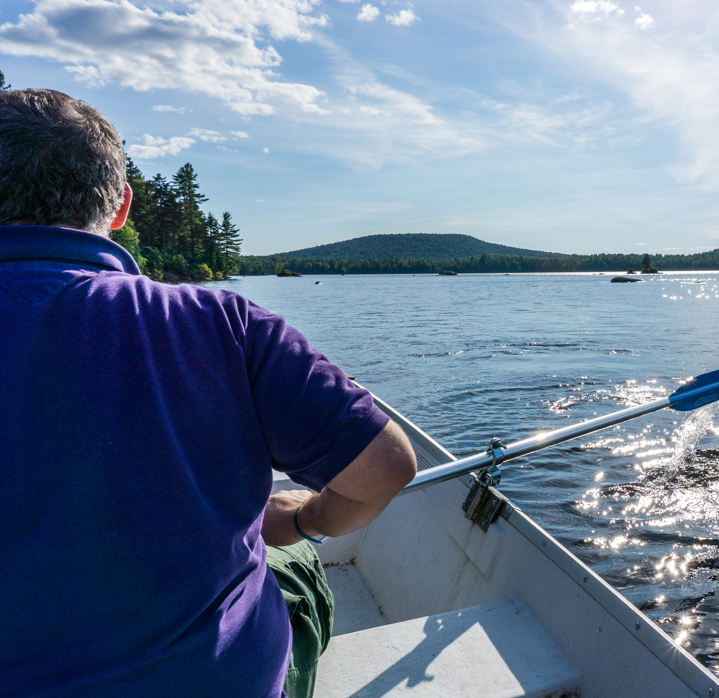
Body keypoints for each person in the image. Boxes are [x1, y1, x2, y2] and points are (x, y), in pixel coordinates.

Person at [0, 88, 417, 697]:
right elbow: (385, 466)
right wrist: (302, 519)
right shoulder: (218, 321)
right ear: (119, 208)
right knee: (294, 564)